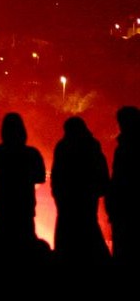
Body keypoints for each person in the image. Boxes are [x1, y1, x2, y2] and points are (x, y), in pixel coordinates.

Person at [50, 116, 111, 278]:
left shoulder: (63, 146)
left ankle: (67, 266)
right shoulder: (91, 145)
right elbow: (101, 170)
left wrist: (58, 195)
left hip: (68, 200)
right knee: (89, 229)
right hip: (86, 198)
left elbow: (57, 175)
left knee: (67, 233)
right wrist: (100, 189)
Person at [0, 112, 46, 242]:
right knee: (25, 249)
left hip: (2, 209)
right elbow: (40, 178)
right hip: (24, 209)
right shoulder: (32, 154)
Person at [105, 105, 140, 282]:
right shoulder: (126, 146)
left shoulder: (125, 148)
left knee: (124, 252)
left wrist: (112, 205)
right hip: (126, 208)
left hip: (125, 210)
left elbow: (119, 179)